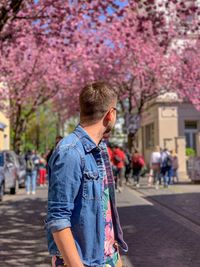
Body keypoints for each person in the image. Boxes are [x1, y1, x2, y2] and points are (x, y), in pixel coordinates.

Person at [46, 82, 128, 267]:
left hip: (107, 257)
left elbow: (103, 208)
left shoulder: (99, 149)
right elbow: (58, 219)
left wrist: (114, 253)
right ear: (111, 114)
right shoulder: (70, 152)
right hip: (85, 262)